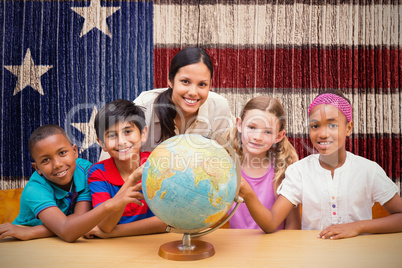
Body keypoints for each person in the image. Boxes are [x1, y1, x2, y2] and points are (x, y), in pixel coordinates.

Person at [243, 90, 402, 239]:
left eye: (333, 125)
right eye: (315, 126)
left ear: (348, 128)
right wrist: (249, 194)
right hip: (312, 257)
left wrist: (358, 227)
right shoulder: (299, 172)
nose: (323, 134)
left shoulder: (368, 170)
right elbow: (271, 223)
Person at [0, 125, 143, 242]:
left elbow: (80, 219)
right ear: (37, 168)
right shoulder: (35, 189)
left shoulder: (86, 170)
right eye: (45, 160)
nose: (57, 164)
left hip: (57, 237)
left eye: (62, 153)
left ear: (75, 151)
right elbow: (67, 232)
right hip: (27, 243)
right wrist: (109, 205)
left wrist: (33, 232)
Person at [99, 47, 233, 160]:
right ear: (170, 80)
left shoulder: (219, 107)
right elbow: (110, 160)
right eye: (185, 81)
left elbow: (229, 159)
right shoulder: (144, 107)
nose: (193, 92)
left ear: (210, 86)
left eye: (202, 84)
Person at [85, 99, 166, 238]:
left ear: (143, 134)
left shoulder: (157, 163)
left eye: (128, 131)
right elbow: (105, 225)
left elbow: (166, 222)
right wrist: (132, 179)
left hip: (154, 244)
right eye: (112, 135)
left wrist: (113, 233)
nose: (121, 142)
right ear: (102, 143)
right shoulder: (98, 173)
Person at [228, 96, 301, 230]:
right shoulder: (227, 167)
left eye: (267, 131)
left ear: (279, 136)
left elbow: (293, 225)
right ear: (239, 125)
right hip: (235, 247)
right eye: (251, 127)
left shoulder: (283, 170)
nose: (257, 137)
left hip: (274, 249)